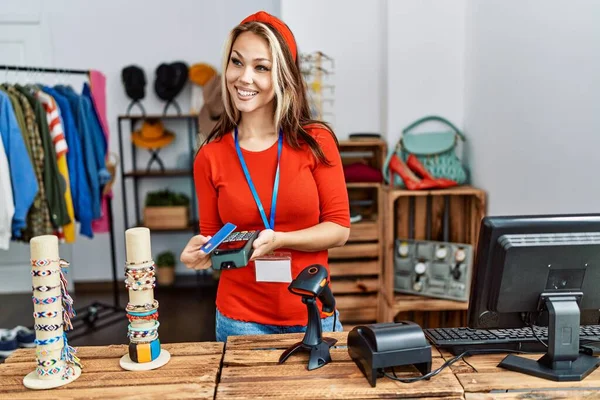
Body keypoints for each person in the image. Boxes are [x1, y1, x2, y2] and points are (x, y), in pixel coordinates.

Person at [180, 11, 350, 342]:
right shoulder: (210, 156)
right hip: (239, 320)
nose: (244, 78)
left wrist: (282, 239)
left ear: (283, 76)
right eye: (236, 62)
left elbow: (339, 229)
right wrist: (200, 255)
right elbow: (217, 245)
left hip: (311, 312)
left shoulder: (315, 142)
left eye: (261, 67)